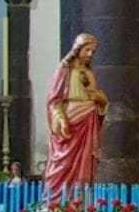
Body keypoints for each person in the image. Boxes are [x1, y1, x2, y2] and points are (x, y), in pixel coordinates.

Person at [44, 34, 107, 197]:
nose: (90, 55)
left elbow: (98, 100)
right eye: (87, 50)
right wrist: (60, 118)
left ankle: (80, 202)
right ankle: (56, 201)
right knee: (64, 163)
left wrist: (102, 102)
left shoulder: (89, 73)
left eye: (93, 51)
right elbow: (54, 99)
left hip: (88, 121)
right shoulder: (64, 69)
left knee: (85, 164)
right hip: (71, 120)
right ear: (77, 49)